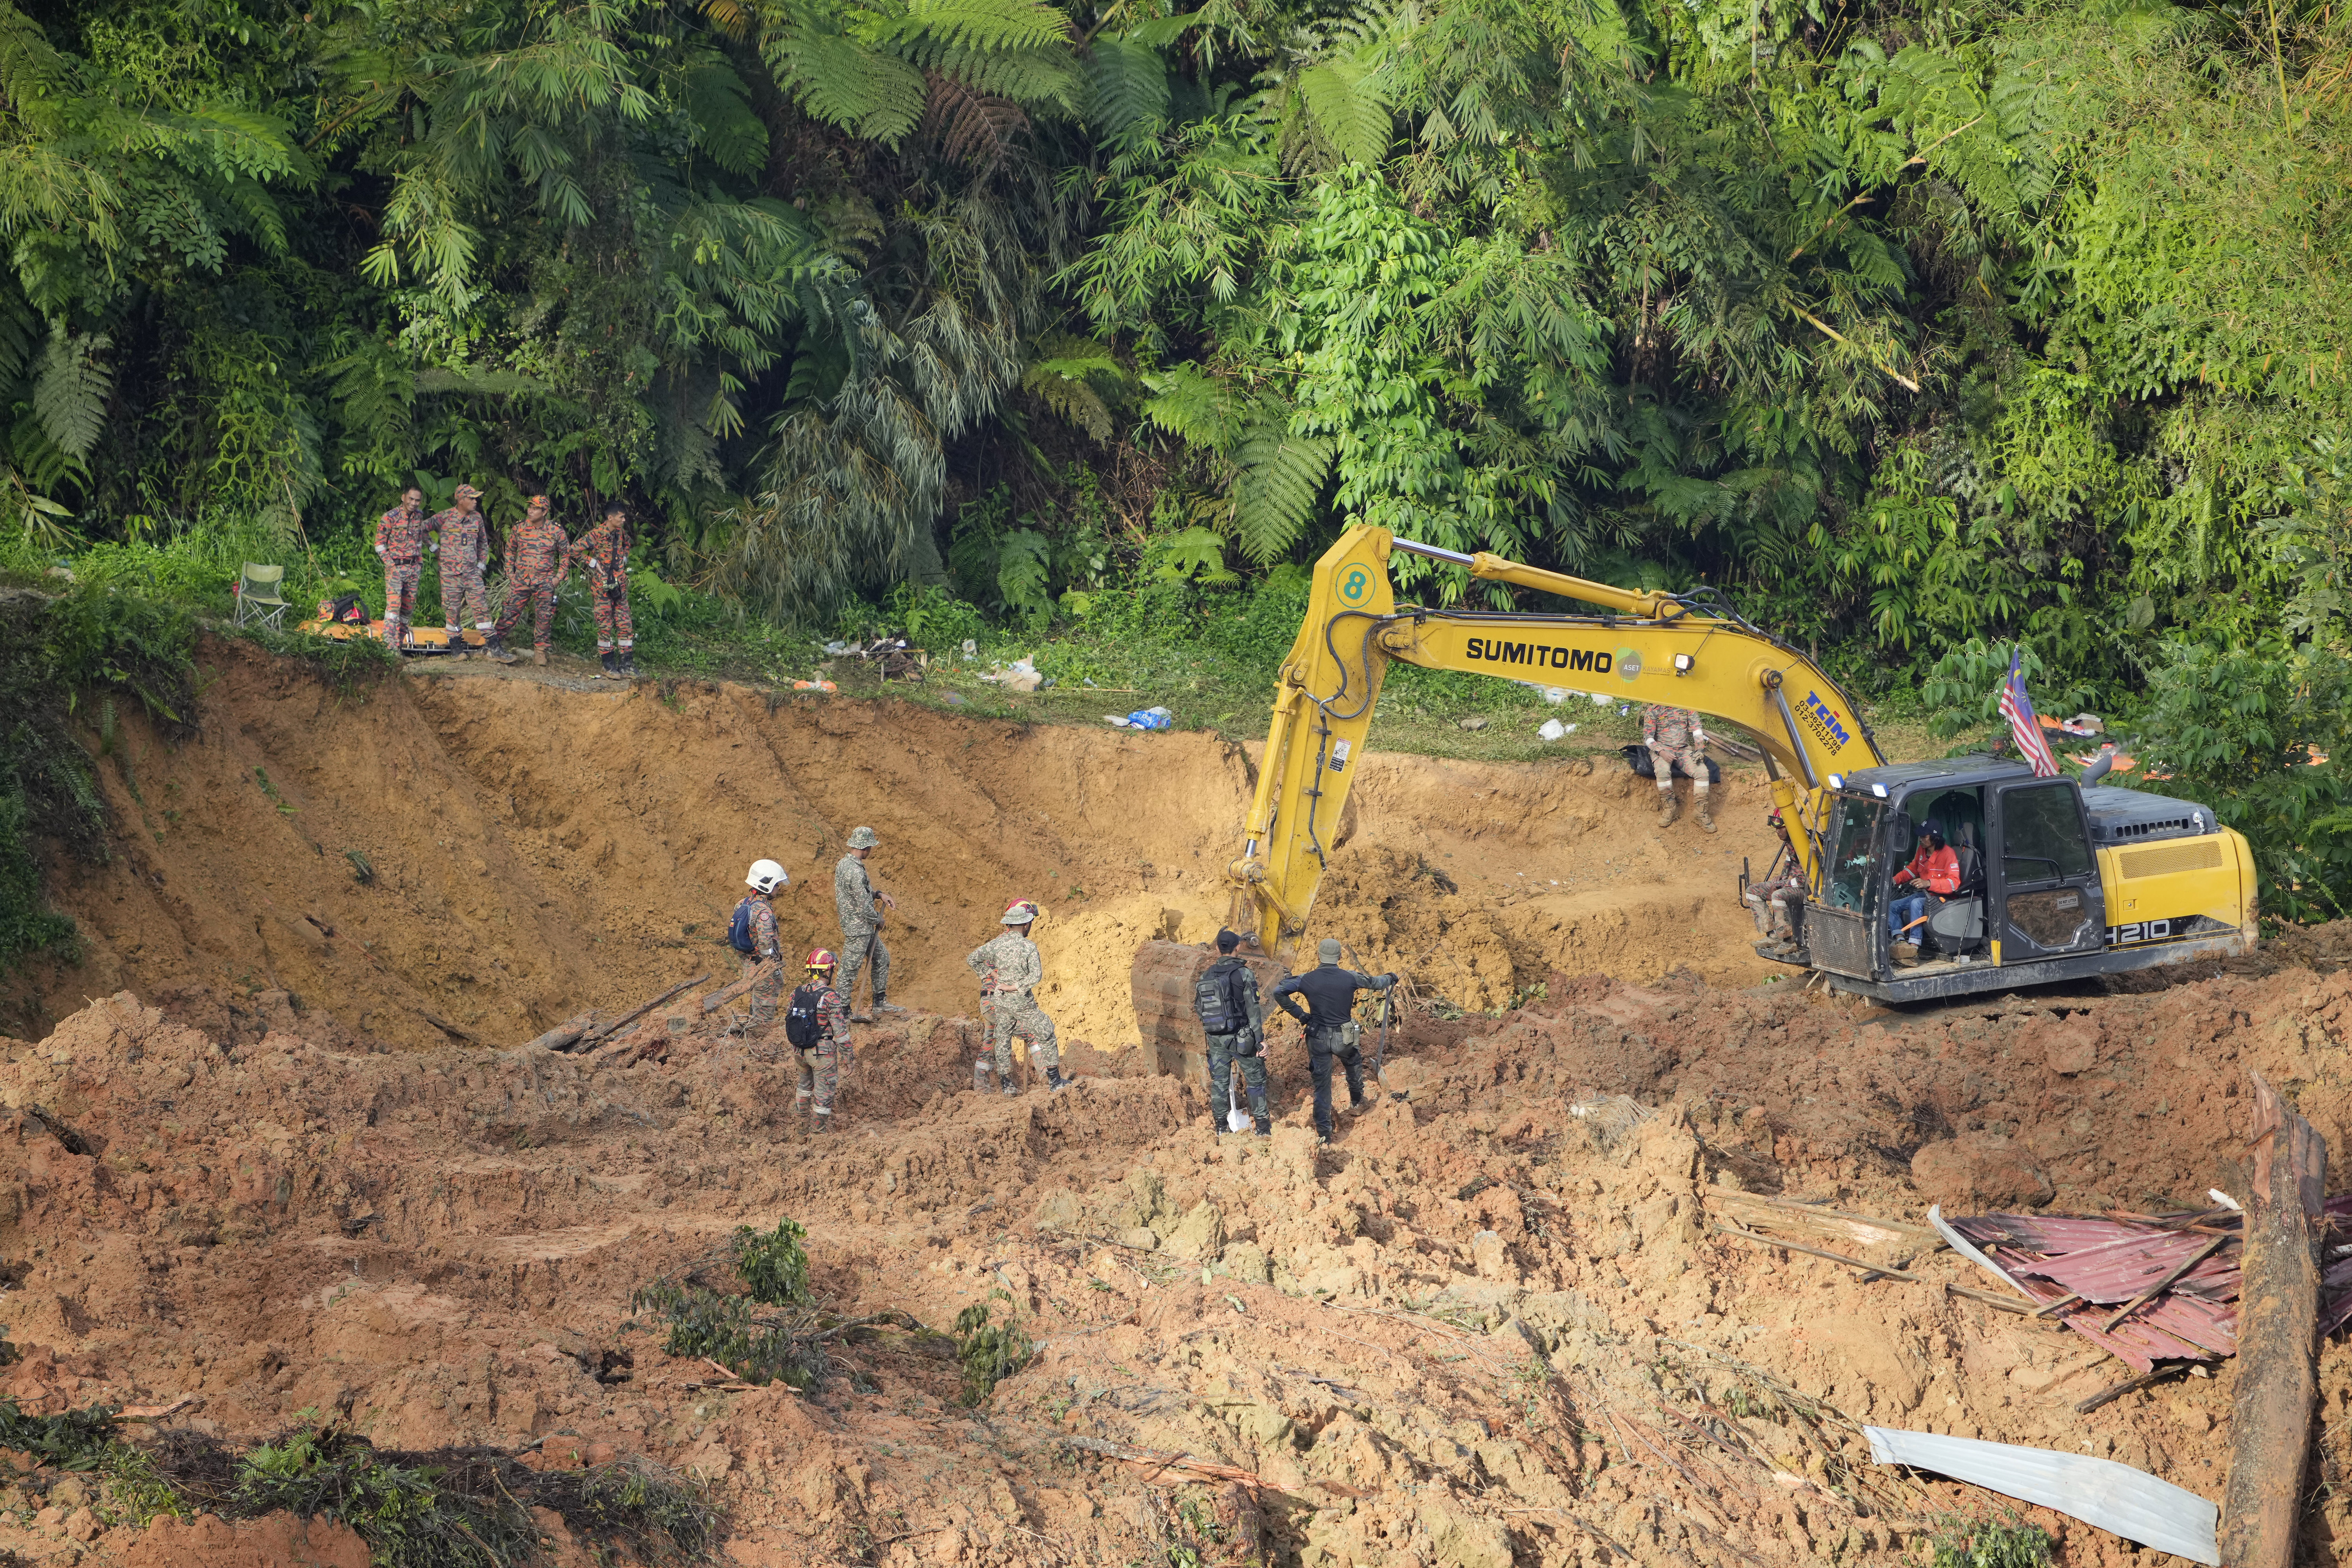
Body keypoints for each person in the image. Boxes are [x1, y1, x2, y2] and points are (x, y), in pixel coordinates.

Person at [1271, 938, 1396, 1145]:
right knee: (1354, 1063)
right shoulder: (1350, 977)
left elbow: (1279, 991)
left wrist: (1301, 1015)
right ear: (1340, 957)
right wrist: (1391, 977)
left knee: (1322, 1087)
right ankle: (1357, 1101)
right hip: (1344, 1037)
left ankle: (1324, 1135)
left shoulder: (1306, 979)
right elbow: (1376, 983)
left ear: (1319, 956)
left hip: (1318, 1037)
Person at [965, 899, 1071, 1095]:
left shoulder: (996, 944)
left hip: (993, 1001)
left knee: (997, 1039)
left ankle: (996, 1086)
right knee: (1039, 1034)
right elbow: (1035, 976)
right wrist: (1014, 986)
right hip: (1012, 1000)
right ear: (1025, 923)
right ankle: (1051, 1080)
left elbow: (973, 959)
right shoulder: (1026, 946)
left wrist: (990, 975)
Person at [1196, 929, 1269, 1136]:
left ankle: (1221, 1127)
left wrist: (1215, 1028)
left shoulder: (1206, 974)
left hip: (1216, 1039)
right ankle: (1263, 1129)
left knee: (1219, 1082)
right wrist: (1260, 1041)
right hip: (1242, 1038)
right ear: (1238, 947)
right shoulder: (1244, 973)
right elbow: (1254, 1011)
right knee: (1255, 1079)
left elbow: (1199, 1008)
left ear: (1218, 949)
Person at [487, 495, 568, 666]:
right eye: (530, 507)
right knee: (509, 612)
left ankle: (540, 652)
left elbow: (565, 555)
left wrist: (558, 578)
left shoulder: (556, 531)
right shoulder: (519, 528)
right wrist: (511, 573)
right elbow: (510, 550)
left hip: (545, 582)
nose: (530, 511)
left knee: (544, 617)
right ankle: (493, 645)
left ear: (545, 512)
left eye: (535, 508)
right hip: (522, 580)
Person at [834, 827, 900, 1022]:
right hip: (859, 929)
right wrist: (878, 921)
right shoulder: (855, 871)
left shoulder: (845, 864)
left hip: (861, 927)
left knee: (882, 958)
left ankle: (880, 1004)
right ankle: (843, 1011)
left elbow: (862, 893)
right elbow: (864, 907)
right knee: (849, 969)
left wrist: (879, 894)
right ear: (866, 847)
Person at [786, 949, 853, 1133]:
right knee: (823, 1097)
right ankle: (818, 1136)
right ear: (827, 971)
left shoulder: (796, 993)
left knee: (804, 1088)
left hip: (800, 1051)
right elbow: (841, 1032)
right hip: (822, 1054)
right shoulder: (830, 996)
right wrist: (848, 1058)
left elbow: (790, 1022)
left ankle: (800, 1132)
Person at [570, 501, 637, 678]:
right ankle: (608, 666)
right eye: (621, 517)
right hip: (602, 588)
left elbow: (628, 544)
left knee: (625, 623)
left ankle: (627, 665)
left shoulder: (620, 533)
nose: (624, 520)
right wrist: (592, 562)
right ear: (611, 518)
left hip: (620, 586)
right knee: (605, 625)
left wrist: (624, 558)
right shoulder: (597, 534)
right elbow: (574, 550)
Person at [430, 484, 494, 658]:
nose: (476, 501)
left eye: (476, 498)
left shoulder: (477, 518)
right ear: (461, 500)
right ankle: (456, 647)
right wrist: (434, 549)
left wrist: (481, 565)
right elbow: (421, 529)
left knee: (481, 607)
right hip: (450, 574)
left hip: (472, 573)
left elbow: (483, 543)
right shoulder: (444, 517)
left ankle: (493, 645)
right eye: (472, 498)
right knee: (453, 610)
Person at [732, 859, 791, 1031]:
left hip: (749, 963)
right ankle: (760, 1044)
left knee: (755, 1005)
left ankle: (753, 1034)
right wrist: (771, 964)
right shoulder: (764, 911)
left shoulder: (743, 903)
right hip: (763, 967)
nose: (779, 888)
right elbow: (766, 942)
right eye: (777, 885)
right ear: (768, 885)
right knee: (763, 1015)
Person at [1888, 821, 1961, 960]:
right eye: (1920, 836)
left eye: (1924, 836)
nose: (1920, 839)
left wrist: (1928, 883)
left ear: (1936, 838)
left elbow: (1954, 884)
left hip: (1942, 898)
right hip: (1926, 895)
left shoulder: (1948, 854)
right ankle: (1901, 941)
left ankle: (1914, 948)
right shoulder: (1922, 851)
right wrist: (1894, 881)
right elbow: (1912, 870)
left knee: (1916, 903)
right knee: (1892, 906)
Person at [1743, 808, 1808, 954]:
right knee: (1752, 891)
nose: (1778, 832)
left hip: (1805, 889)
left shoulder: (1804, 843)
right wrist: (1782, 878)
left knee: (1777, 896)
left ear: (1790, 826)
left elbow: (1804, 881)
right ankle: (1772, 935)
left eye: (1780, 828)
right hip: (1791, 885)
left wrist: (1781, 885)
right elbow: (1789, 864)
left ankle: (1787, 941)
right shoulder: (1790, 843)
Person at [373, 486, 429, 650]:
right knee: (393, 609)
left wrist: (419, 561)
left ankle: (398, 645)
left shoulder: (419, 516)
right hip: (396, 569)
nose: (414, 503)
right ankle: (389, 649)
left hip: (413, 569)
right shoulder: (390, 517)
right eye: (411, 499)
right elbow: (379, 544)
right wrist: (390, 565)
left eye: (417, 500)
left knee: (408, 609)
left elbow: (419, 538)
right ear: (403, 497)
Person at [1642, 705, 1713, 832]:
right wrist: (1662, 752)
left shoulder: (1686, 705)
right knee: (1663, 772)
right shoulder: (1654, 709)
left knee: (1702, 773)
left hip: (1683, 750)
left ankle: (1701, 813)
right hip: (1662, 750)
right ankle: (1669, 809)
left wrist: (1699, 750)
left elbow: (1697, 730)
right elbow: (1648, 738)